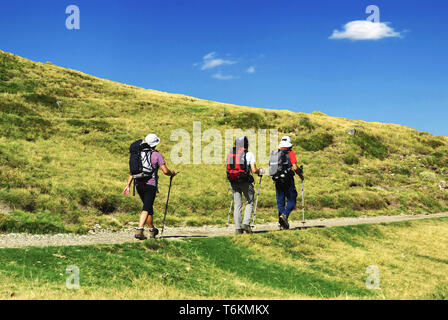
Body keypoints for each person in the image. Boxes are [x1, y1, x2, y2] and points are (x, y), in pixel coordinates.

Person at [123, 134, 176, 240]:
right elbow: (165, 171)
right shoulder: (156, 155)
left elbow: (132, 171)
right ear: (155, 144)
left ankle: (152, 230)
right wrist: (172, 173)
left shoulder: (138, 154)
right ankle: (140, 230)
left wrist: (128, 185)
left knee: (148, 207)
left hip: (138, 184)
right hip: (150, 185)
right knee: (146, 208)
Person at [226, 136, 265, 234]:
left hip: (233, 181)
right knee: (249, 201)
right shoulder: (249, 154)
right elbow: (254, 170)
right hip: (245, 181)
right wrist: (261, 171)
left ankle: (238, 228)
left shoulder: (231, 154)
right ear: (246, 144)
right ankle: (246, 224)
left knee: (237, 204)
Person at [274, 136, 304, 230]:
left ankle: (282, 224)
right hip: (287, 179)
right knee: (292, 199)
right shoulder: (290, 153)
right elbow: (295, 167)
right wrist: (301, 174)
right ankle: (285, 215)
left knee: (280, 201)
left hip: (277, 179)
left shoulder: (276, 153)